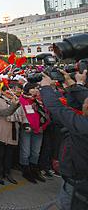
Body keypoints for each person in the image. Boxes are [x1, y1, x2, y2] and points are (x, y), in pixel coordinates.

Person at [39, 72, 88, 210]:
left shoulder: (83, 126)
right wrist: (74, 82)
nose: (83, 101)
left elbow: (57, 108)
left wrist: (45, 87)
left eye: (85, 102)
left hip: (79, 183)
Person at [16, 82, 50, 183]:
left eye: (37, 88)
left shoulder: (40, 100)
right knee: (25, 151)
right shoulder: (22, 100)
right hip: (27, 129)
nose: (36, 90)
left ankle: (34, 169)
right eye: (33, 88)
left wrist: (42, 126)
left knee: (36, 152)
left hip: (39, 130)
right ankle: (26, 170)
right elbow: (20, 114)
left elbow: (46, 115)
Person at [0, 85, 22, 185]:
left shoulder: (18, 101)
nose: (12, 93)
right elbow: (2, 113)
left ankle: (7, 172)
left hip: (13, 131)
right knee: (0, 154)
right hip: (1, 131)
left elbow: (21, 115)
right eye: (10, 91)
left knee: (9, 154)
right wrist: (13, 106)